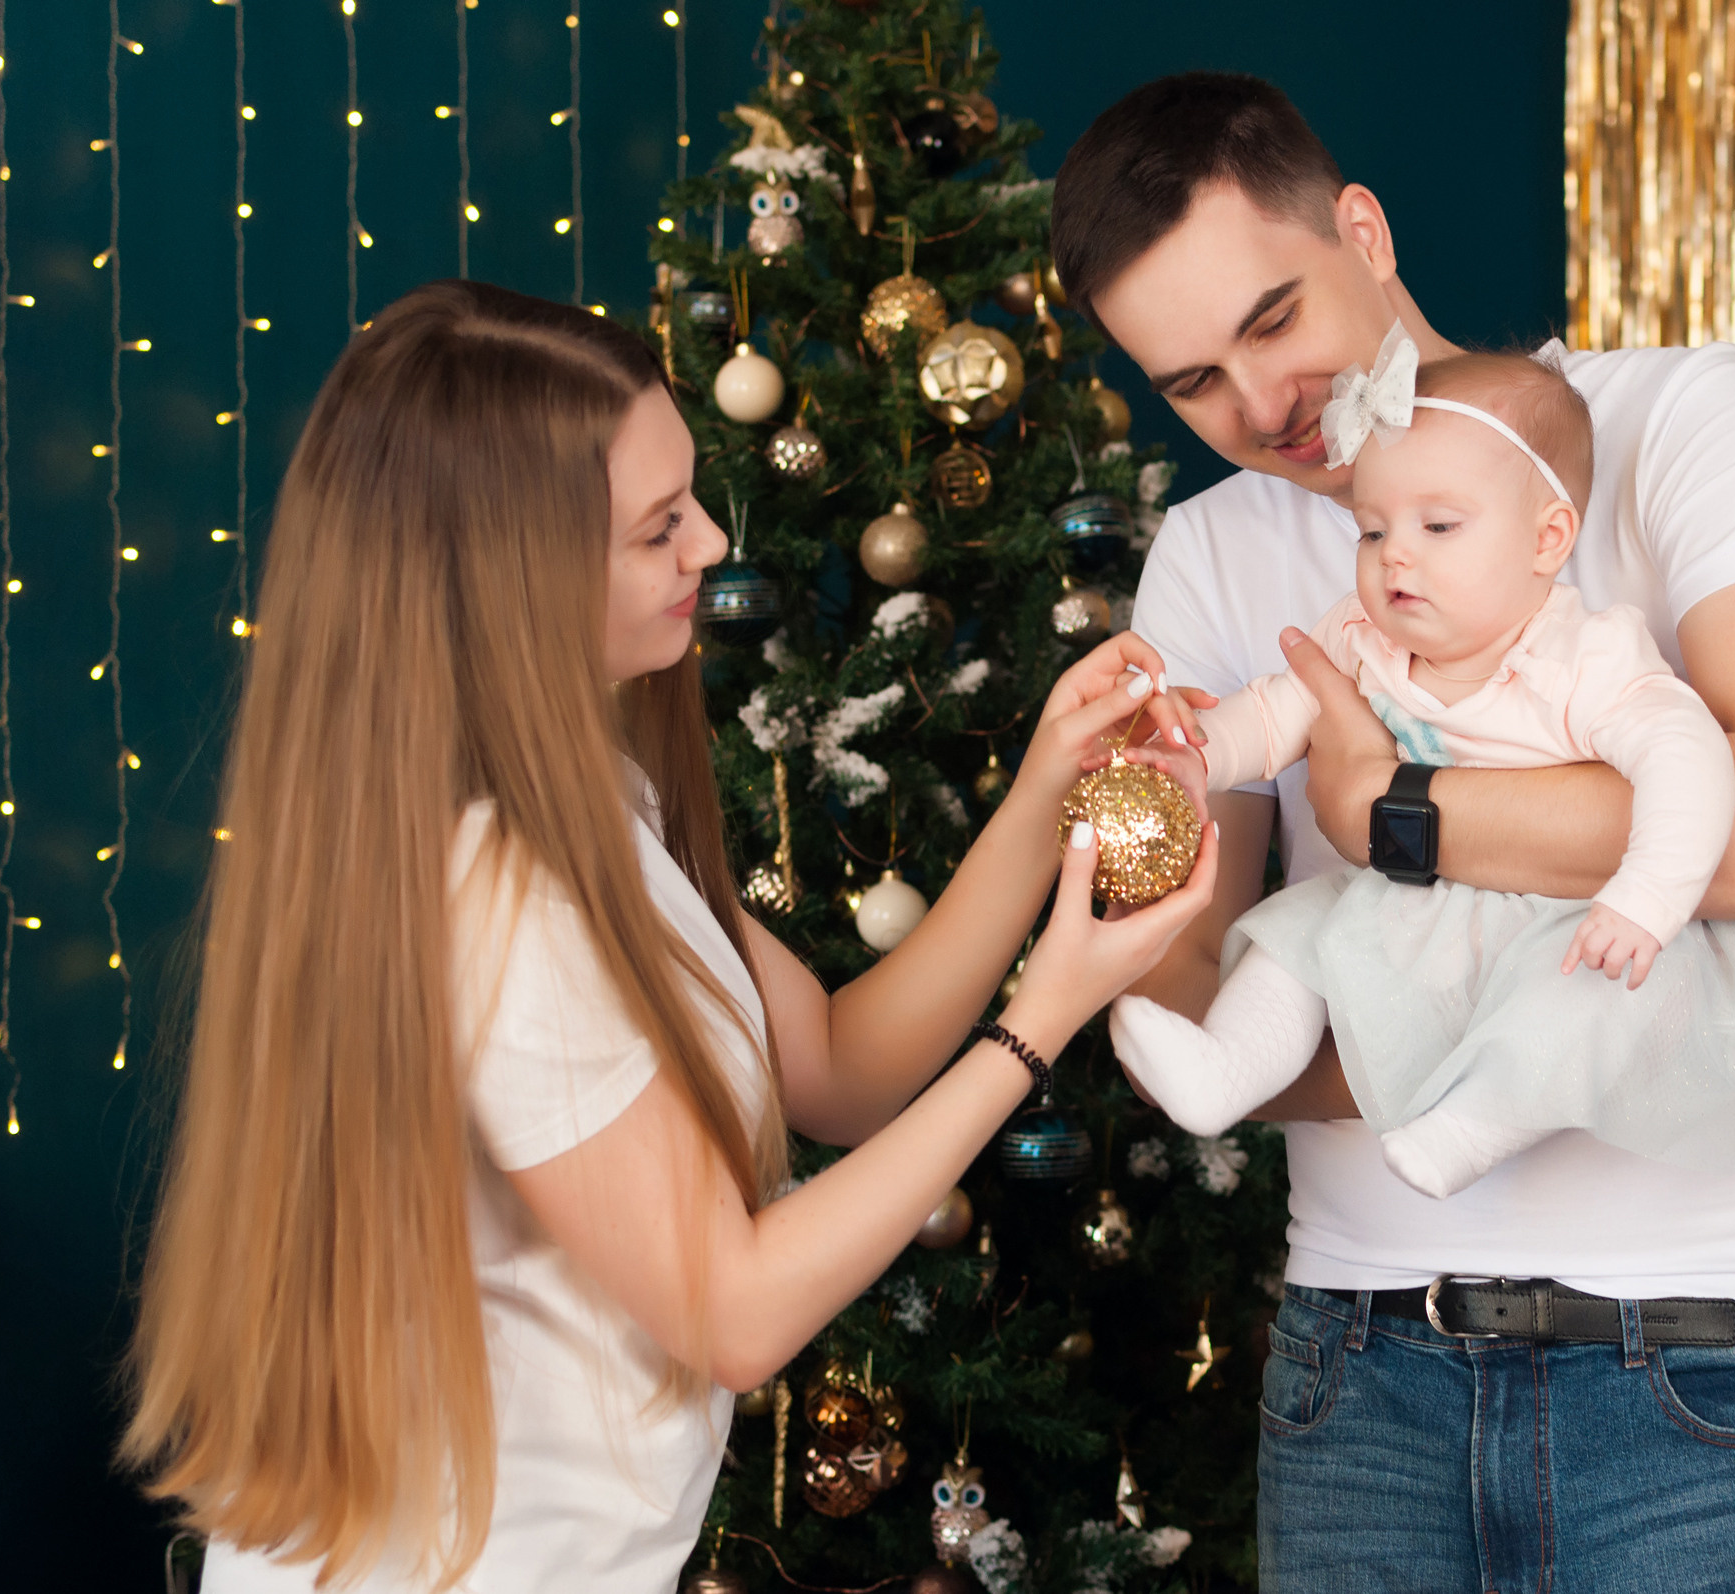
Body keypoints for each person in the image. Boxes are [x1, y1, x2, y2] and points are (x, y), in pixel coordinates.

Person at [120, 281, 1217, 1594]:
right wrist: (1049, 1012)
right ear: (513, 578)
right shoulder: (502, 898)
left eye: (690, 496)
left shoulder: (591, 805)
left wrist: (1045, 792)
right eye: (657, 528)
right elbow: (736, 1311)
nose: (709, 540)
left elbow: (837, 1060)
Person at [1051, 73, 1735, 1591]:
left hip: (1703, 1362)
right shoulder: (1215, 550)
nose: (1261, 410)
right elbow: (1177, 988)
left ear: (1362, 231)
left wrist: (1397, 819)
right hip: (1358, 1375)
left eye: (1270, 322)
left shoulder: (1674, 417)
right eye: (1191, 384)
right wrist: (1134, 803)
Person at [1111, 339, 1735, 1200]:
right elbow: (1275, 713)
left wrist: (1645, 898)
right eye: (1372, 530)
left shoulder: (1584, 656)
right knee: (1297, 938)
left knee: (1581, 1006)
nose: (1395, 557)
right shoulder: (1364, 640)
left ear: (1546, 538)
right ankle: (1226, 1068)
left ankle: (1473, 1124)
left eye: (1439, 527)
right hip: (1415, 913)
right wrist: (1198, 756)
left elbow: (1691, 766)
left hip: (1556, 917)